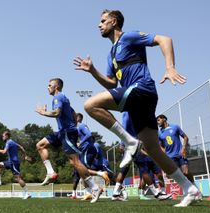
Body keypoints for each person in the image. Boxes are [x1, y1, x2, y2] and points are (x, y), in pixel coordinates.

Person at [73, 9, 200, 207]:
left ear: (114, 22)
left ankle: (129, 141)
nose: (99, 25)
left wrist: (170, 67)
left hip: (142, 89)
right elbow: (112, 84)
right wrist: (92, 71)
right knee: (153, 150)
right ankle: (189, 188)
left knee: (90, 104)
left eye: (103, 21)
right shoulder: (110, 55)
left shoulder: (129, 37)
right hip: (135, 98)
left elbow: (164, 39)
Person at [35, 78, 102, 203]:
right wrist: (72, 124)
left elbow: (57, 113)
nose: (47, 87)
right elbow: (73, 113)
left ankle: (95, 188)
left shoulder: (57, 97)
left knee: (75, 162)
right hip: (63, 132)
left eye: (50, 85)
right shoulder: (64, 97)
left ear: (56, 86)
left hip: (66, 133)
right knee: (40, 145)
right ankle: (51, 172)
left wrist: (44, 113)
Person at [0, 130, 31, 199]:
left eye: (3, 136)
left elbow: (4, 152)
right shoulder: (13, 142)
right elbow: (21, 147)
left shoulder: (9, 142)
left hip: (14, 163)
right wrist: (25, 156)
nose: (2, 137)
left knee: (18, 178)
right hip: (10, 162)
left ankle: (27, 193)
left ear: (7, 136)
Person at [157, 114, 195, 183]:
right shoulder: (159, 133)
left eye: (159, 120)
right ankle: (188, 188)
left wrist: (183, 149)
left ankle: (194, 185)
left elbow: (186, 137)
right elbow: (160, 145)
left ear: (164, 119)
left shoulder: (175, 127)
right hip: (170, 157)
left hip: (180, 154)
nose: (157, 122)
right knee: (172, 175)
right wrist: (164, 154)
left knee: (186, 172)